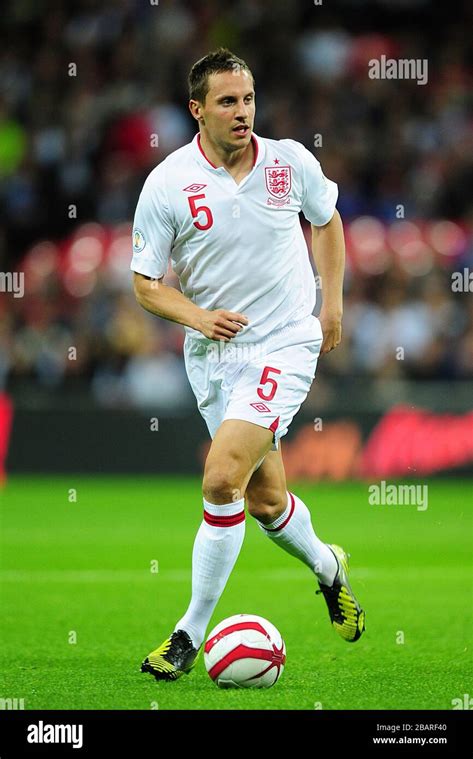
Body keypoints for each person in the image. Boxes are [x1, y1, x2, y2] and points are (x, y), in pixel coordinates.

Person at [131, 48, 365, 681]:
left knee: (219, 480)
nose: (242, 112)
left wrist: (332, 302)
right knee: (265, 501)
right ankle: (328, 567)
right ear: (197, 110)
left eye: (249, 98)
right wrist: (198, 318)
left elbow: (328, 219)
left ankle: (188, 632)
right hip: (212, 356)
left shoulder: (289, 162)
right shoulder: (167, 183)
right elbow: (146, 284)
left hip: (284, 343)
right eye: (228, 101)